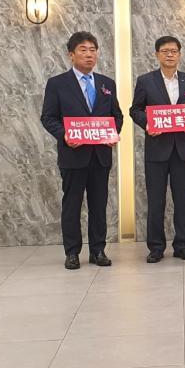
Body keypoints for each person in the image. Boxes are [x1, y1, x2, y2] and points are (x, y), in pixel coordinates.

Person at [40, 31, 123, 270]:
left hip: (100, 155)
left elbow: (116, 116)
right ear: (71, 54)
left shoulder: (107, 83)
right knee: (72, 205)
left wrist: (112, 133)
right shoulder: (57, 83)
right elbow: (48, 117)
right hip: (73, 155)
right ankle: (72, 252)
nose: (89, 55)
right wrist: (65, 135)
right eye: (83, 50)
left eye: (93, 50)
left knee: (99, 204)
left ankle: (98, 250)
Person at [129, 36, 185, 263]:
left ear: (179, 54)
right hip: (157, 149)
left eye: (174, 51)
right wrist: (147, 124)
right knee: (156, 201)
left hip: (183, 149)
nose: (170, 54)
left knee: (182, 200)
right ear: (157, 54)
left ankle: (182, 245)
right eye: (165, 51)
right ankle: (156, 247)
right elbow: (135, 110)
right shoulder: (145, 81)